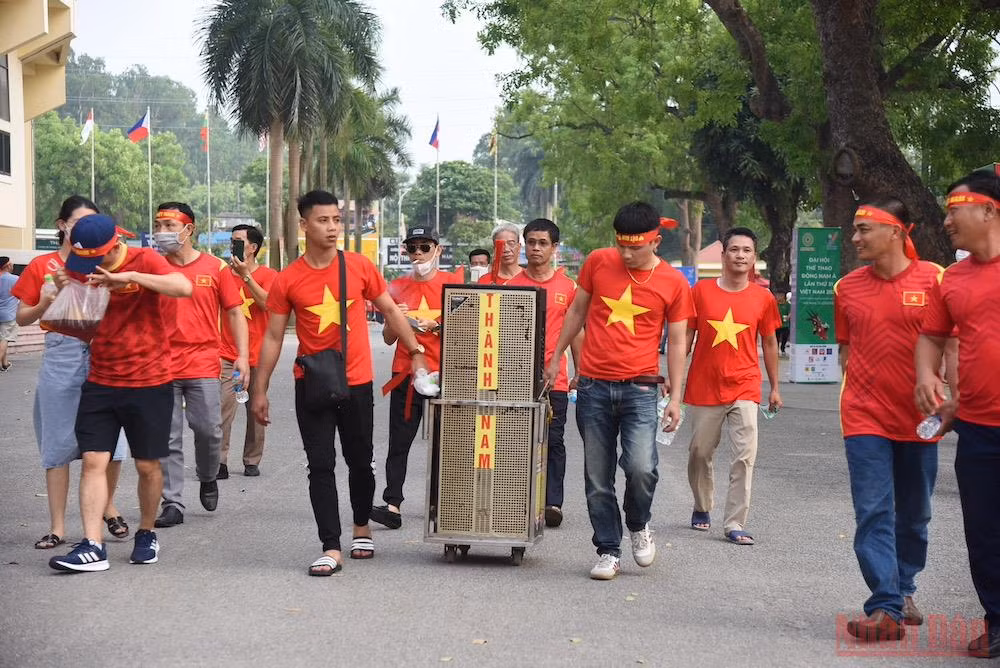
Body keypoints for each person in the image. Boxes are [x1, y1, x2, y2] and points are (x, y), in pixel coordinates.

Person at [252, 190, 428, 576]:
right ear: (303, 225)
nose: (332, 228)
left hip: (357, 382)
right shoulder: (289, 279)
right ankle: (330, 546)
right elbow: (272, 337)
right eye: (323, 220)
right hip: (311, 382)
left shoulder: (360, 267)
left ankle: (361, 525)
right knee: (320, 465)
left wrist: (415, 351)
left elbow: (389, 311)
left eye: (336, 220)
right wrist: (259, 389)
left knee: (360, 461)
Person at [544, 202, 694, 580]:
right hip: (593, 386)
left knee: (642, 468)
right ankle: (608, 549)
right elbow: (576, 311)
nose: (626, 254)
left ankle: (639, 523)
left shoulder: (674, 283)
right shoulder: (598, 261)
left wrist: (676, 396)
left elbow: (677, 342)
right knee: (598, 475)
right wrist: (556, 355)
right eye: (621, 245)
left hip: (642, 390)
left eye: (636, 248)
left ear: (656, 241)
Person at [47, 213, 193, 572]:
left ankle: (146, 533)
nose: (91, 265)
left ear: (115, 244)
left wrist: (129, 277)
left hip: (150, 380)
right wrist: (68, 287)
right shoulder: (83, 264)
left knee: (147, 465)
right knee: (94, 461)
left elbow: (182, 287)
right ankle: (92, 545)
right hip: (101, 378)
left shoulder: (146, 259)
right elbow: (82, 316)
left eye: (98, 257)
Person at [833, 198, 944, 642]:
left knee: (915, 513)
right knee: (874, 510)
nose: (855, 237)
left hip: (920, 417)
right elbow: (845, 348)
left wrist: (950, 395)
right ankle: (885, 605)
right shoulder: (846, 287)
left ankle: (904, 588)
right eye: (854, 229)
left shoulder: (934, 278)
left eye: (864, 229)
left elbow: (949, 344)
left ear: (897, 231)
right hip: (863, 416)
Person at [12, 197, 132, 551]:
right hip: (62, 352)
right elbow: (22, 318)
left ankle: (107, 508)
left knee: (113, 441)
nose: (84, 232)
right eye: (77, 224)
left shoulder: (106, 262)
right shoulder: (41, 265)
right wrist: (47, 300)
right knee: (59, 441)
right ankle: (57, 527)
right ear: (62, 225)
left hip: (105, 351)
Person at [915, 171, 1000, 658]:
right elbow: (931, 334)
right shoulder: (953, 279)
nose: (947, 220)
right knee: (985, 532)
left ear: (989, 210)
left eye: (955, 209)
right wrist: (928, 377)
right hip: (980, 428)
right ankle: (997, 620)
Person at [153, 202, 249, 528]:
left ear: (188, 229)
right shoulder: (154, 267)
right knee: (167, 436)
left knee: (208, 430)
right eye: (159, 225)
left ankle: (208, 476)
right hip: (162, 363)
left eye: (170, 225)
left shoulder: (216, 268)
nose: (162, 232)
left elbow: (235, 312)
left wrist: (243, 356)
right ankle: (173, 503)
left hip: (203, 361)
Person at [684, 227, 782, 547]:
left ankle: (735, 521)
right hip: (704, 385)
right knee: (700, 452)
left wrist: (775, 387)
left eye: (747, 251)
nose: (740, 256)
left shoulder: (763, 298)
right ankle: (702, 505)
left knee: (744, 454)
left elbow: (769, 343)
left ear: (754, 257)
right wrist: (671, 377)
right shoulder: (700, 292)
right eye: (735, 250)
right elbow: (685, 336)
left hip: (745, 384)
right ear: (724, 254)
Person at [370, 225, 449, 530]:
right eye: (412, 248)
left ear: (437, 250)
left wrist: (437, 326)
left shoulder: (452, 285)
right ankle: (393, 504)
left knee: (447, 442)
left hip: (446, 372)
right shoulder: (397, 286)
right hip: (405, 371)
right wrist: (396, 318)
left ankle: (444, 503)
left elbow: (469, 328)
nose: (418, 254)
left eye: (424, 247)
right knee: (399, 442)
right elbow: (389, 337)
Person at [507, 218, 582, 528]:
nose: (536, 248)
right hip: (516, 380)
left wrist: (581, 369)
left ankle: (552, 502)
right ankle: (515, 499)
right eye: (531, 242)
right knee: (516, 441)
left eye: (542, 243)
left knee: (554, 440)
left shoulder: (569, 287)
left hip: (557, 380)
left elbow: (577, 331)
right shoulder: (511, 287)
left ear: (554, 248)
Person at [218, 224, 277, 479]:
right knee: (222, 407)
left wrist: (245, 276)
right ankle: (218, 461)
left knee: (255, 410)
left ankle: (252, 460)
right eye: (232, 242)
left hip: (259, 355)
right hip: (227, 353)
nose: (233, 246)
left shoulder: (269, 275)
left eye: (238, 242)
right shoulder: (222, 274)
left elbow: (268, 304)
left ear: (252, 248)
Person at [0, 256, 18, 371]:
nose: (12, 265)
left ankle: (5, 363)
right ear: (7, 266)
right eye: (11, 263)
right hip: (8, 314)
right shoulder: (15, 279)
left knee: (2, 339)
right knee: (5, 339)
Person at [776, 292, 790, 357]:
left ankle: (783, 348)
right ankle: (776, 350)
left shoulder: (787, 305)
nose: (777, 297)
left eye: (779, 295)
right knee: (776, 338)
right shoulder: (775, 304)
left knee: (785, 337)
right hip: (776, 324)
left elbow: (790, 312)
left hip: (785, 324)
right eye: (777, 295)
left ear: (783, 296)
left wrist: (788, 317)